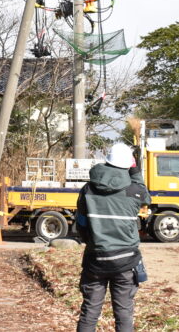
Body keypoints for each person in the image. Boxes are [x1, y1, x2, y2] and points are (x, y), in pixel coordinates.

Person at [74, 142, 150, 332]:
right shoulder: (134, 191)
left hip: (95, 259)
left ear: (106, 162)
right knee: (124, 312)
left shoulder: (87, 190)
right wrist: (135, 169)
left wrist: (91, 242)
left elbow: (81, 224)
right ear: (129, 165)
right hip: (126, 261)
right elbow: (145, 195)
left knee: (90, 311)